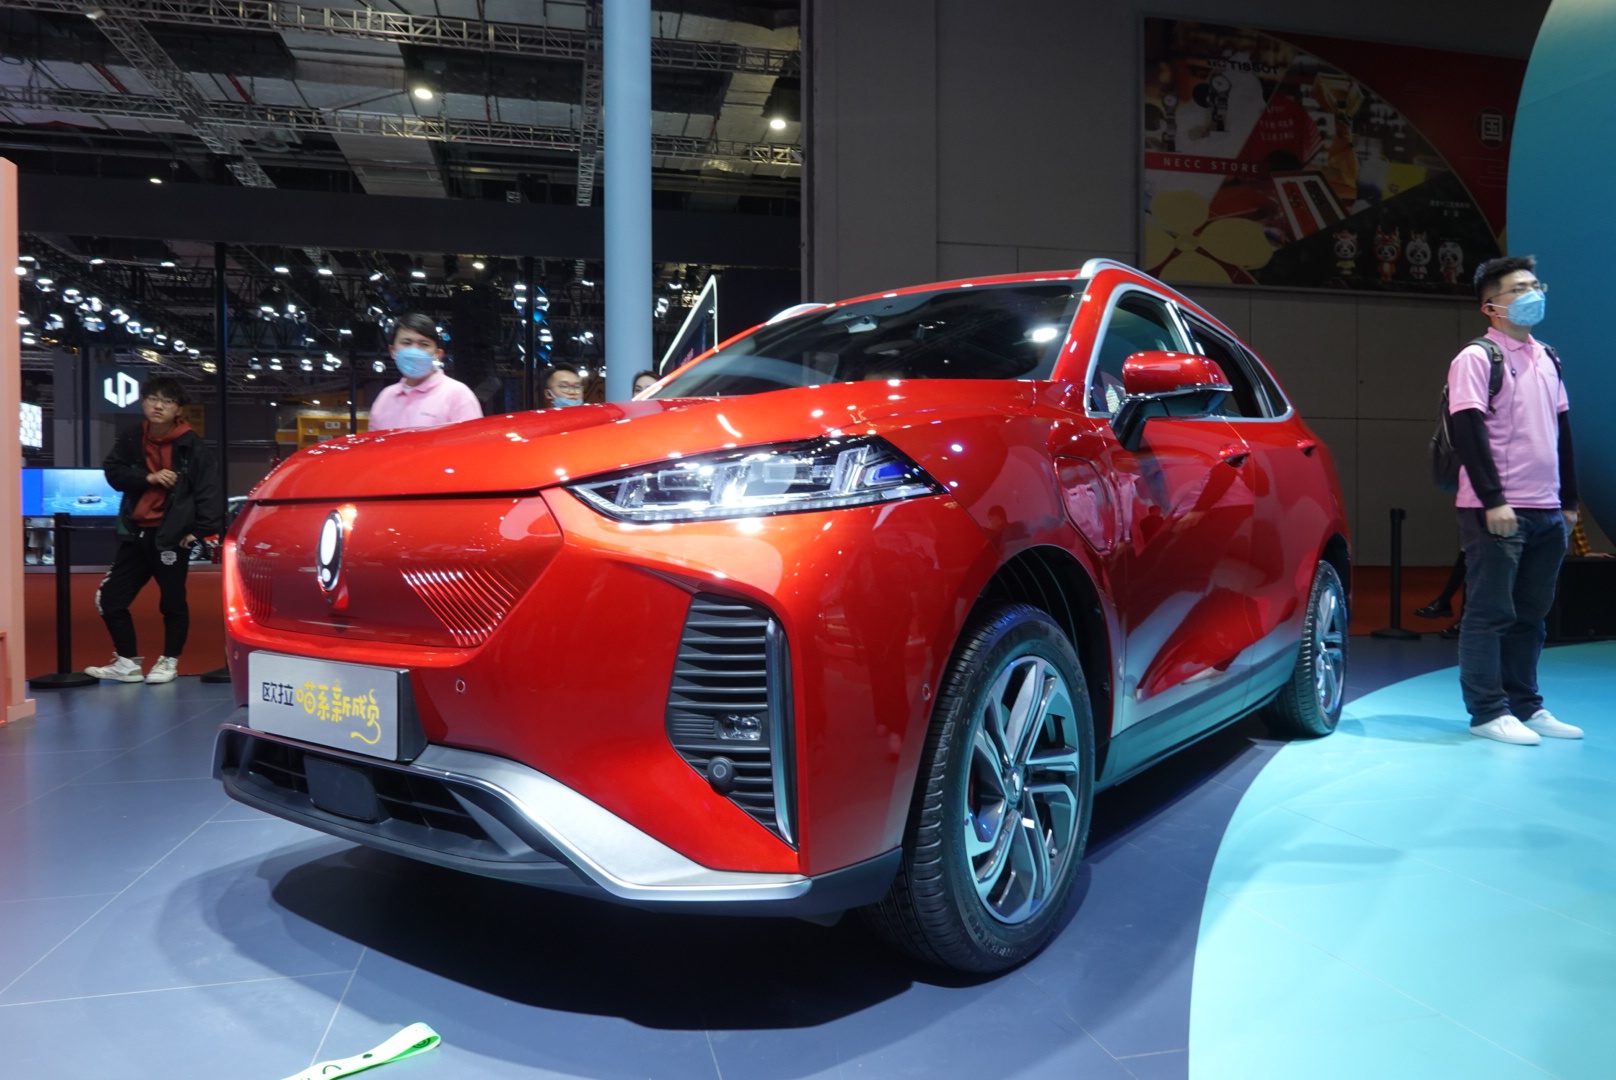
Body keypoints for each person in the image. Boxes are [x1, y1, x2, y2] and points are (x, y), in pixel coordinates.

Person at [1446, 255, 1581, 745]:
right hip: (1499, 511)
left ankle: (1525, 705)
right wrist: (1493, 500)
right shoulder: (1477, 357)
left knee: (1531, 616)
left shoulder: (1548, 357)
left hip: (1547, 510)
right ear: (1491, 305)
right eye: (1520, 288)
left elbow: (1562, 433)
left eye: (1536, 285)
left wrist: (1569, 501)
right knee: (1490, 613)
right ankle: (1487, 711)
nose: (1533, 294)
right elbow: (1467, 430)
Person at [85, 376, 222, 684]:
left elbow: (209, 490)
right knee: (110, 599)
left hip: (171, 537)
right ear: (143, 402)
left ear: (179, 409)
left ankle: (169, 661)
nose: (158, 406)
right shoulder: (132, 436)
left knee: (172, 603)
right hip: (135, 533)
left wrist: (200, 530)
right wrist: (148, 477)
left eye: (167, 401)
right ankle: (127, 662)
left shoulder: (192, 445)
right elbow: (113, 471)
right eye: (152, 399)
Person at [367, 313, 482, 432]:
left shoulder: (458, 395)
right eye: (406, 343)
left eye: (424, 344)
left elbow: (474, 441)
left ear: (438, 354)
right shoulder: (385, 398)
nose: (414, 350)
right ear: (392, 351)